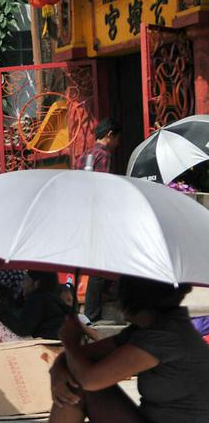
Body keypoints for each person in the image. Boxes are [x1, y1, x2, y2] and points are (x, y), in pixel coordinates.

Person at [0, 277, 209, 423]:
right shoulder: (149, 330)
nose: (111, 292)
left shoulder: (164, 337)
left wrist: (70, 342)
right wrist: (59, 368)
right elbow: (82, 357)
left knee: (80, 384)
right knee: (75, 376)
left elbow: (90, 379)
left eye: (117, 287)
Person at [80, 118, 121, 322]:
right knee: (100, 266)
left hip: (84, 212)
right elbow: (103, 187)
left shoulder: (85, 155)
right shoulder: (104, 155)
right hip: (98, 213)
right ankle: (92, 314)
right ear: (110, 135)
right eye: (117, 139)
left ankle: (103, 299)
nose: (117, 144)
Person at [0, 271, 73, 341]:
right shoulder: (53, 299)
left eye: (25, 280)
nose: (22, 284)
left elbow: (23, 328)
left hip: (48, 344)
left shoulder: (37, 299)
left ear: (36, 283)